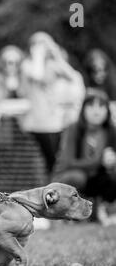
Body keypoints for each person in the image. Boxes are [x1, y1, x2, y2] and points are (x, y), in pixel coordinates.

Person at [19, 32, 85, 177]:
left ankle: (55, 192)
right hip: (37, 123)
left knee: (55, 163)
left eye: (44, 44)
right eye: (37, 45)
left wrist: (57, 55)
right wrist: (38, 55)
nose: (41, 48)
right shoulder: (28, 65)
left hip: (55, 122)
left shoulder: (53, 65)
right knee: (44, 164)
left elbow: (75, 78)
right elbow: (37, 75)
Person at [53, 89, 116, 226]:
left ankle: (106, 210)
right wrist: (99, 161)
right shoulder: (74, 129)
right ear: (83, 109)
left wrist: (111, 162)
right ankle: (65, 213)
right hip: (71, 178)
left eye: (101, 106)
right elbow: (67, 162)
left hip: (100, 178)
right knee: (77, 177)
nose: (96, 111)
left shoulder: (111, 131)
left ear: (107, 110)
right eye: (91, 106)